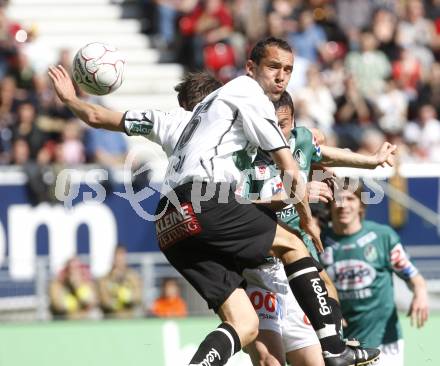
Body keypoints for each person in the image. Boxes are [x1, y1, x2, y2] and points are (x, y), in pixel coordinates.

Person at [48, 37, 380, 366]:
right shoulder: (247, 96)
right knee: (293, 244)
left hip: (169, 219)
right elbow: (288, 164)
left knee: (244, 325)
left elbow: (97, 116)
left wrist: (70, 100)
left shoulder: (173, 120)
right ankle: (335, 350)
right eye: (275, 68)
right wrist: (306, 212)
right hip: (206, 203)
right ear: (247, 71)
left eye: (287, 70)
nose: (281, 77)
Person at [240, 91, 396, 366]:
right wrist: (298, 192)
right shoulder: (245, 152)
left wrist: (371, 160)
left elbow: (323, 151)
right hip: (261, 264)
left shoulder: (301, 139)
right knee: (269, 361)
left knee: (325, 292)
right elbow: (236, 208)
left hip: (297, 256)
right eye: (270, 124)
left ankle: (335, 342)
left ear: (294, 121)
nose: (277, 131)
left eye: (284, 124)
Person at [321, 184, 429, 366]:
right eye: (337, 199)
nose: (343, 205)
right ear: (329, 205)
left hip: (385, 342)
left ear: (362, 205)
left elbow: (413, 277)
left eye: (350, 199)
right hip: (343, 345)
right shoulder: (319, 242)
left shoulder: (382, 237)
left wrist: (420, 293)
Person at [98, 246, 142, 318]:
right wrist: (115, 302)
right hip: (112, 318)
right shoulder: (105, 279)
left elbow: (139, 297)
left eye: (122, 257)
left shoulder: (133, 277)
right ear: (113, 259)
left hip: (129, 317)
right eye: (117, 258)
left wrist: (129, 297)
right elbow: (103, 300)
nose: (119, 261)